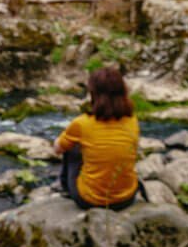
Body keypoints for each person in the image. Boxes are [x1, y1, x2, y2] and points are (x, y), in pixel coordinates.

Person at [54, 66, 143, 210]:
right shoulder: (132, 120)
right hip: (126, 198)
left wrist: (62, 139)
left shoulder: (82, 123)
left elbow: (57, 149)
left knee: (72, 148)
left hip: (90, 200)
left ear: (93, 94)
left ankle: (65, 188)